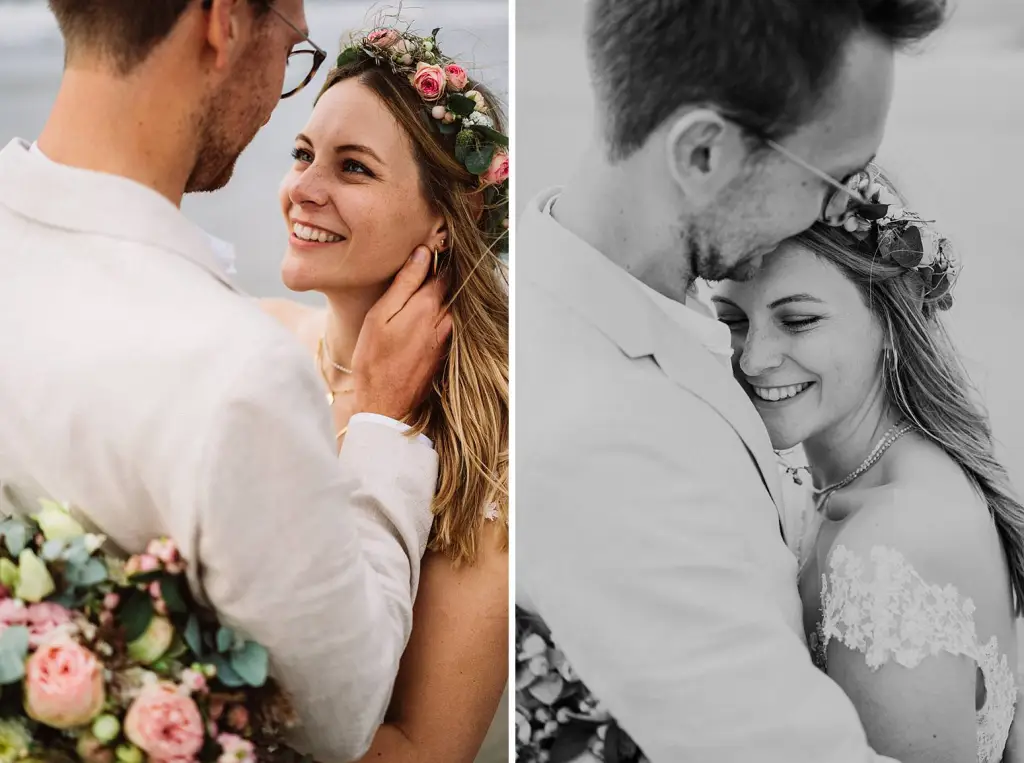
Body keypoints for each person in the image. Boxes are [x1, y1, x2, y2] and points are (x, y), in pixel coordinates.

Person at [0, 2, 451, 761]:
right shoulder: (241, 374)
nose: (282, 82)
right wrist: (376, 428)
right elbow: (335, 717)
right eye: (291, 44)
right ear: (225, 21)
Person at [515, 0, 950, 761]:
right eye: (836, 178)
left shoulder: (657, 299)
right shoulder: (598, 445)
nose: (845, 210)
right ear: (704, 155)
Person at [260, 24, 510, 763]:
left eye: (353, 168)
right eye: (303, 155)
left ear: (448, 215)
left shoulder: (487, 453)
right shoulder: (259, 345)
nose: (304, 189)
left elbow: (419, 748)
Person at [712, 170, 1020, 762]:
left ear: (889, 324)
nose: (753, 359)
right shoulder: (891, 480)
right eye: (734, 320)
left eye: (798, 320)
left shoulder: (887, 551)